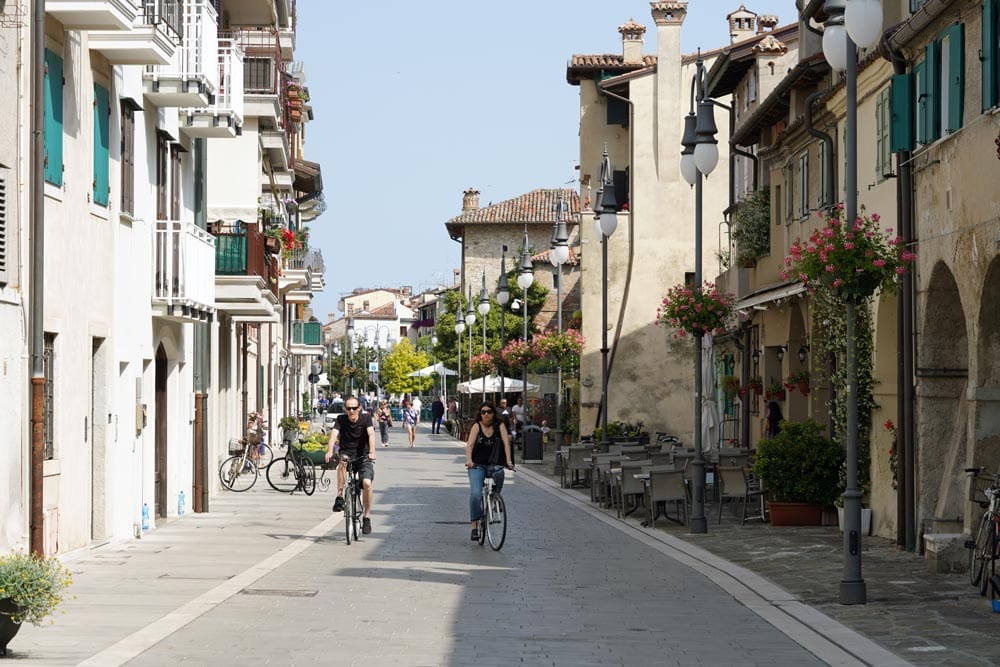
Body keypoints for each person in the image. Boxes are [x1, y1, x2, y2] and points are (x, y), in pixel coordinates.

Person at [326, 396, 377, 534]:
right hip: (347, 453)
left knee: (366, 483)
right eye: (349, 408)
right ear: (345, 409)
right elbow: (333, 436)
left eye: (354, 408)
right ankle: (339, 496)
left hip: (364, 456)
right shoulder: (341, 419)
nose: (352, 411)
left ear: (359, 408)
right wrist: (330, 451)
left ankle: (366, 516)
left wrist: (372, 451)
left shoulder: (366, 418)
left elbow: (371, 434)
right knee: (342, 462)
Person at [465, 401, 514, 541]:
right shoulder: (476, 426)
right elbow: (470, 445)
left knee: (500, 473)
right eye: (483, 412)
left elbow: (506, 443)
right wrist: (469, 460)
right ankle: (474, 525)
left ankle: (495, 498)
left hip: (494, 463)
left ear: (493, 413)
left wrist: (509, 461)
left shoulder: (500, 426)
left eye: (489, 412)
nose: (486, 414)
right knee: (475, 494)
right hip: (477, 465)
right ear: (480, 414)